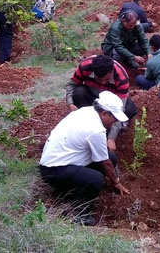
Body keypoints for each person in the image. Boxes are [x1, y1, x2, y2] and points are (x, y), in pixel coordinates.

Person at [40, 91, 131, 224]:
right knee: (96, 178)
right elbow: (104, 163)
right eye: (114, 118)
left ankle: (79, 188)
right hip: (53, 169)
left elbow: (105, 159)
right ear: (104, 113)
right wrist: (116, 182)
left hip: (61, 160)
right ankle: (80, 213)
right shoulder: (96, 129)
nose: (116, 121)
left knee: (110, 157)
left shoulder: (87, 111)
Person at [65, 54, 138, 150]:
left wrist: (111, 138)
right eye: (99, 79)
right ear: (94, 72)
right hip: (91, 95)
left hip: (112, 101)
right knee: (79, 92)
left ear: (112, 72)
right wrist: (70, 103)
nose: (103, 83)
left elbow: (119, 108)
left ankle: (114, 126)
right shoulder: (85, 67)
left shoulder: (121, 77)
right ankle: (87, 121)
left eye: (107, 80)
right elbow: (71, 85)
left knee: (129, 109)